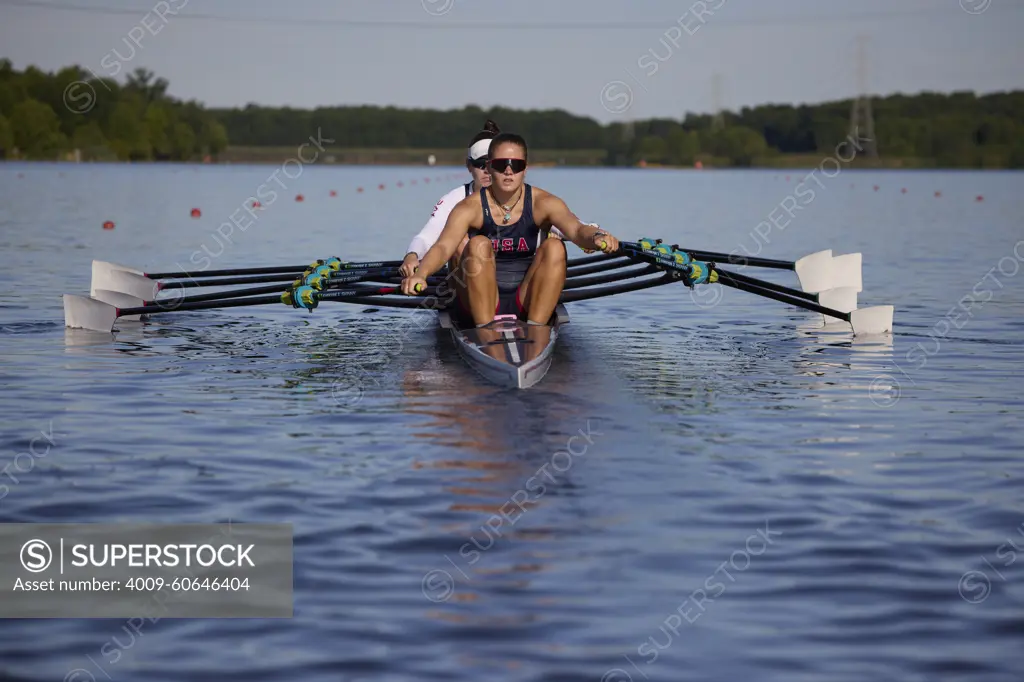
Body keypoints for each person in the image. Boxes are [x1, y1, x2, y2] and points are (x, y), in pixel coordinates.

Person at [400, 132, 621, 329]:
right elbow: (443, 246)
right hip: (479, 299)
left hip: (524, 297)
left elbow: (577, 230)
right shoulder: (468, 206)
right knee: (477, 244)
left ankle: (536, 329)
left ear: (525, 168)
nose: (508, 170)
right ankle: (485, 331)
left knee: (554, 246)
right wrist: (421, 274)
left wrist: (598, 237)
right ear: (489, 167)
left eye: (515, 165)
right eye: (500, 164)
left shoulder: (544, 202)